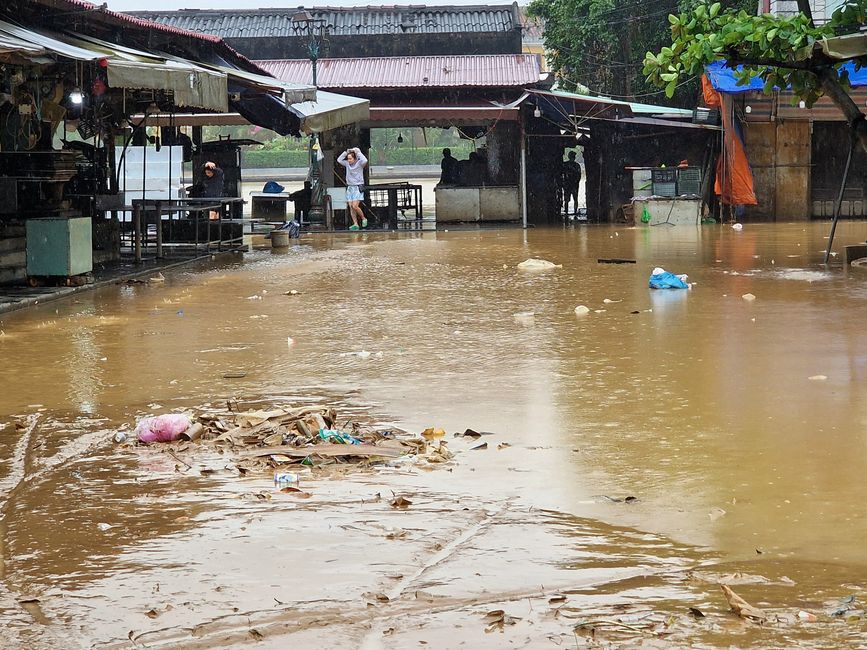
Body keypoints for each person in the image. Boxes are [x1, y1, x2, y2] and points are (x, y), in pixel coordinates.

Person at [337, 147, 368, 230]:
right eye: (348, 159)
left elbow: (365, 160)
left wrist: (357, 152)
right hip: (350, 187)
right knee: (350, 206)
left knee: (355, 206)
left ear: (355, 158)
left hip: (357, 187)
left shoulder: (360, 164)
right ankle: (355, 224)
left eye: (350, 159)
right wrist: (346, 152)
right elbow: (339, 160)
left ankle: (363, 218)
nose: (349, 160)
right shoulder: (347, 164)